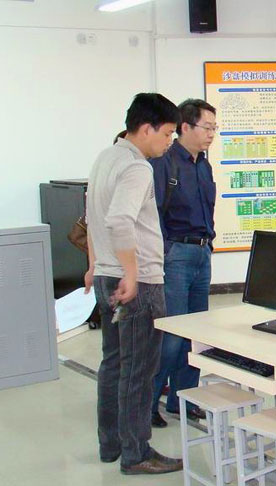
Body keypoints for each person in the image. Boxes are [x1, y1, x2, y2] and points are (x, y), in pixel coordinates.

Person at [84, 93, 183, 475]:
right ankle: (137, 453)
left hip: (107, 274)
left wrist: (94, 266)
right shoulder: (137, 167)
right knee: (139, 370)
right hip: (136, 280)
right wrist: (130, 273)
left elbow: (92, 216)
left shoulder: (105, 157)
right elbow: (119, 220)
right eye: (167, 133)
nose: (169, 141)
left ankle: (111, 444)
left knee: (114, 363)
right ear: (146, 128)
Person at [148, 99, 217, 428]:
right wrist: (165, 252)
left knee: (196, 333)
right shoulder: (164, 162)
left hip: (202, 253)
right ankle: (149, 404)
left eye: (215, 128)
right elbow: (154, 213)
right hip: (176, 255)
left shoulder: (204, 164)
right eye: (207, 127)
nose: (212, 134)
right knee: (171, 336)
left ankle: (183, 400)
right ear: (185, 127)